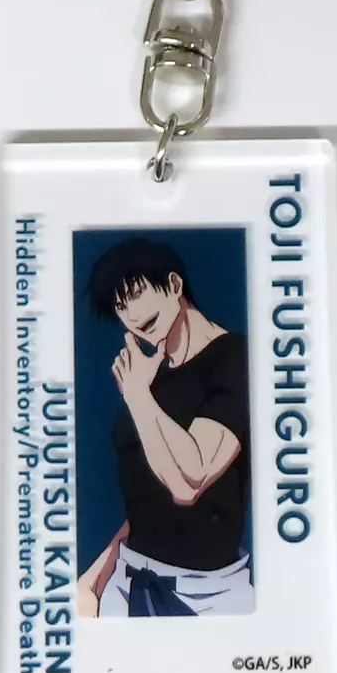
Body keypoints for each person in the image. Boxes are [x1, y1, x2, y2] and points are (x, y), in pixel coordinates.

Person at [77, 237, 252, 617]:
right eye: (120, 306)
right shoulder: (149, 379)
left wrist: (138, 396)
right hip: (126, 584)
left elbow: (190, 481)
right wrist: (93, 581)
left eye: (137, 294)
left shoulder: (235, 357)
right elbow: (147, 505)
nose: (132, 314)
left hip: (210, 598)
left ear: (174, 285)